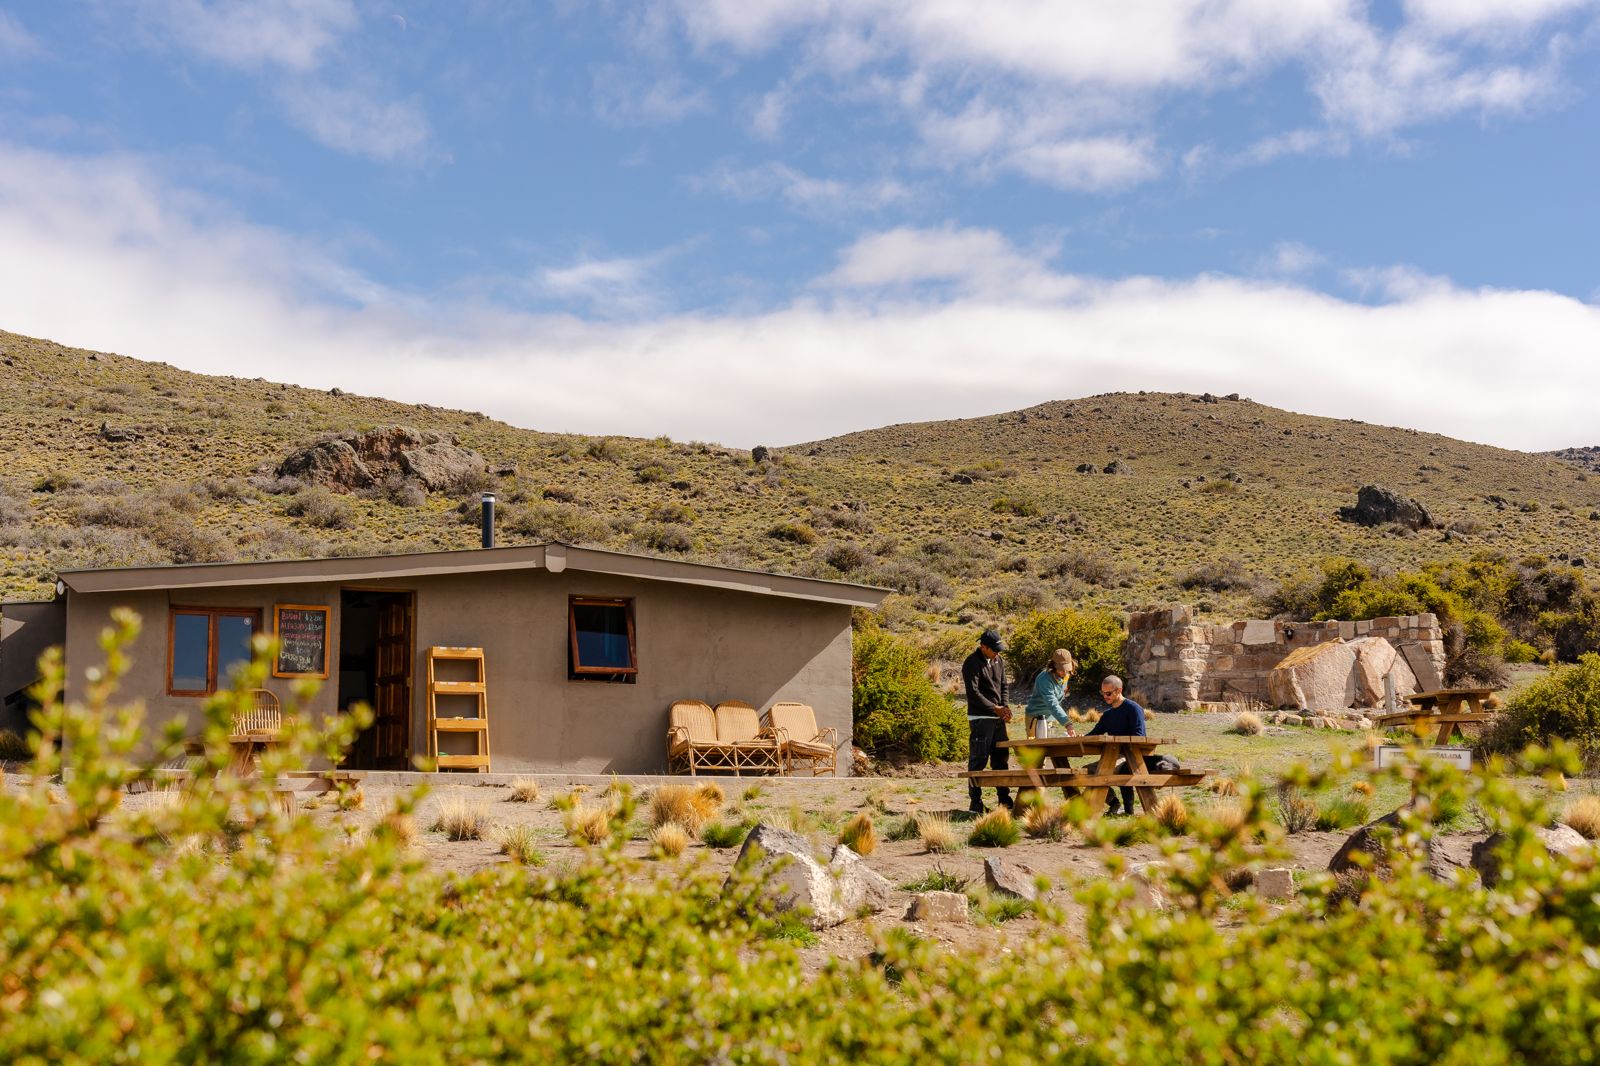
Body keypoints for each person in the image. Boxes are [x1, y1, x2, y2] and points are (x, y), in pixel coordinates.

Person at [963, 628, 1012, 814]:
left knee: (1001, 759)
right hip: (981, 718)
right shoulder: (971, 662)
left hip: (997, 717)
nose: (997, 653)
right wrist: (994, 708)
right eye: (994, 649)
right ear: (983, 647)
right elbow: (973, 693)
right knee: (979, 759)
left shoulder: (999, 660)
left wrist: (1004, 707)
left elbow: (1004, 685)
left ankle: (1004, 800)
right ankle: (975, 802)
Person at [1085, 674, 1146, 816]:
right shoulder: (1107, 715)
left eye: (1108, 693)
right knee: (1085, 771)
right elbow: (1094, 734)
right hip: (1113, 756)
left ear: (1119, 690)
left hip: (1132, 756)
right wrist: (1081, 738)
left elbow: (1139, 736)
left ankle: (1088, 809)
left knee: (1097, 771)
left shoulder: (1133, 708)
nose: (1105, 696)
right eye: (1102, 693)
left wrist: (1114, 741)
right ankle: (1114, 803)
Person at [1024, 649, 1077, 739]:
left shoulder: (1065, 676)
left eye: (1067, 669)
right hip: (1035, 720)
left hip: (1049, 719)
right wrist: (1067, 723)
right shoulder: (1044, 679)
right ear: (1054, 666)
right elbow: (1052, 703)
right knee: (1037, 747)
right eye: (1061, 669)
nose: (1065, 673)